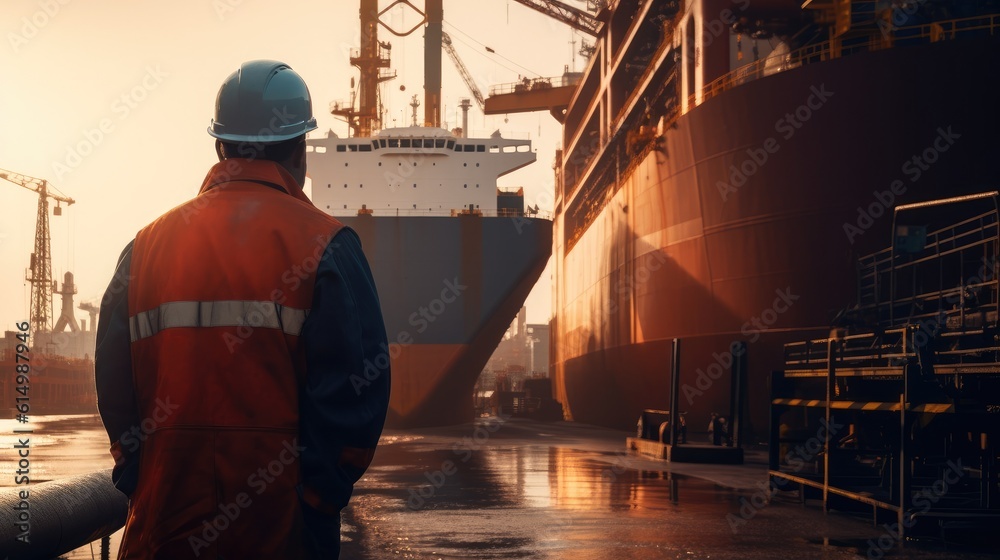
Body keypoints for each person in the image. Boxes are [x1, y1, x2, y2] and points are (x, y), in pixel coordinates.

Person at [95, 60, 390, 559]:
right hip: (282, 534)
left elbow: (113, 379)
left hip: (161, 528)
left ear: (219, 148)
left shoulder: (144, 248)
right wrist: (317, 500)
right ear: (301, 150)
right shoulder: (329, 248)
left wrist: (136, 473)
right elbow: (357, 393)